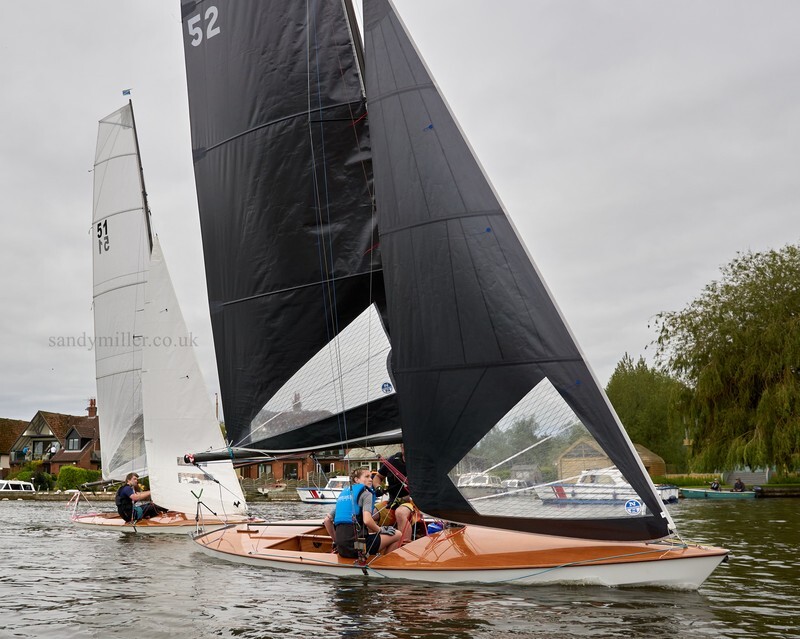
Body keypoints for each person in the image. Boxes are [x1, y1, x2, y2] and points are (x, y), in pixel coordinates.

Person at [331, 467, 402, 559]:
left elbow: (327, 520)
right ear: (356, 480)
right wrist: (380, 530)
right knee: (397, 534)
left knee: (369, 535)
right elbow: (367, 520)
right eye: (367, 476)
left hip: (342, 549)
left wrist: (336, 541)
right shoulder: (366, 493)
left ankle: (370, 556)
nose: (371, 479)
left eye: (371, 476)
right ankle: (384, 563)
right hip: (357, 548)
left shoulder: (344, 494)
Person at [373, 446, 416, 543]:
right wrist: (378, 487)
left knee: (400, 513)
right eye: (404, 446)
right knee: (371, 515)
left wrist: (402, 500)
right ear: (401, 447)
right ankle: (379, 544)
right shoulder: (392, 460)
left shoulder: (419, 463)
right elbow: (378, 477)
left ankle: (404, 545)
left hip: (412, 503)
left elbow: (422, 489)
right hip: (392, 502)